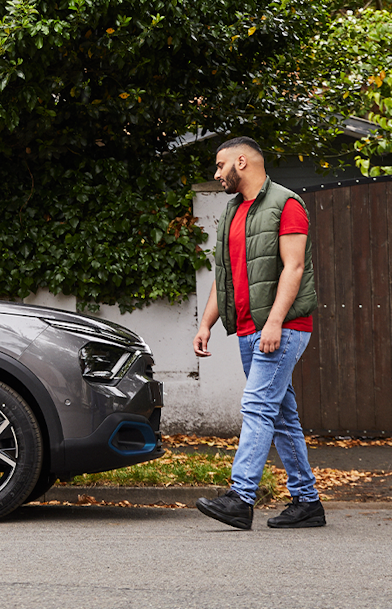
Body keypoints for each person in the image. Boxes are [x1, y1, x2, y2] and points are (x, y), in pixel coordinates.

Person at [193, 136, 326, 530]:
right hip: (250, 330)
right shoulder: (234, 212)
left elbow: (294, 267)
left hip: (281, 328)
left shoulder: (286, 203)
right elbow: (224, 277)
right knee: (282, 416)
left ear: (241, 161)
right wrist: (206, 323)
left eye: (220, 166)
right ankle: (307, 502)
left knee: (257, 406)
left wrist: (274, 322)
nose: (217, 175)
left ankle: (241, 497)